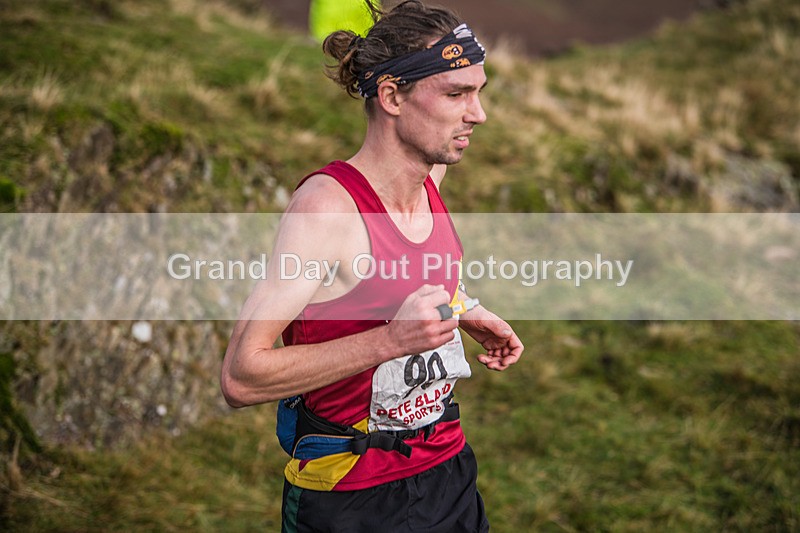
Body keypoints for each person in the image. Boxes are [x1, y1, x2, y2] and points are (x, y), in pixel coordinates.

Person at [221, 1, 524, 531]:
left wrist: (463, 307)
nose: (478, 114)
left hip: (448, 470)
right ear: (392, 97)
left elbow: (401, 274)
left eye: (478, 92)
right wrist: (392, 341)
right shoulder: (326, 210)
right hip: (351, 495)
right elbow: (241, 376)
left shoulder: (429, 179)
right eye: (456, 94)